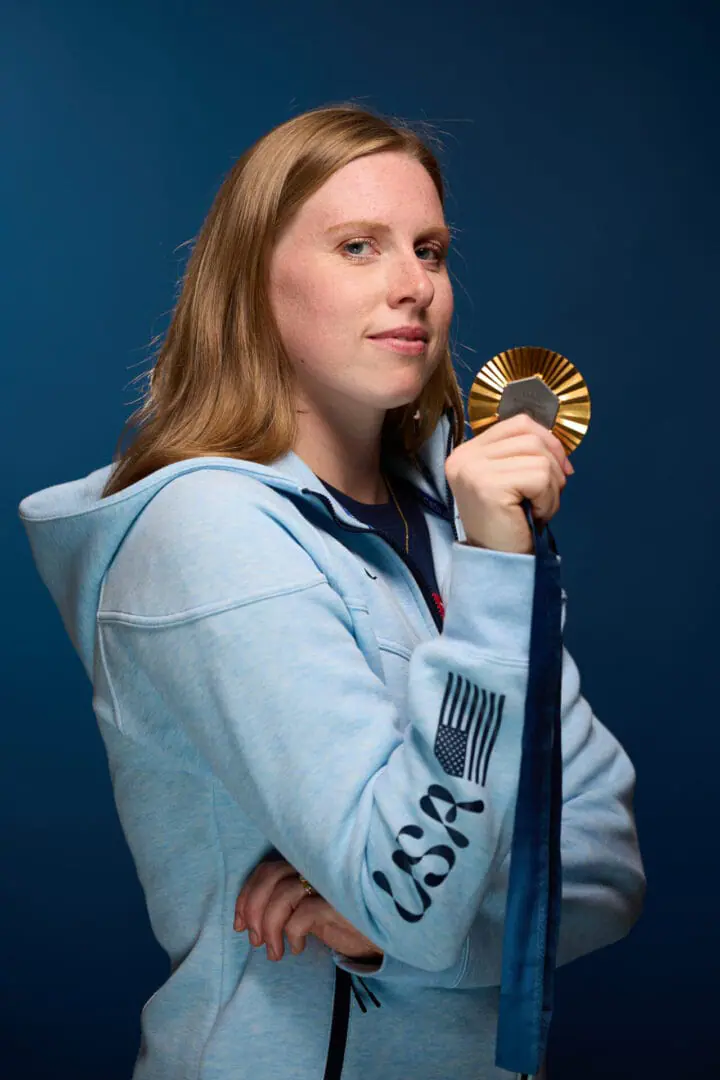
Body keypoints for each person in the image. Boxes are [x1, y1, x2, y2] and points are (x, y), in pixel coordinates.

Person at [19, 103, 645, 1080]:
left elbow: (606, 870)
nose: (413, 287)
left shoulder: (457, 528)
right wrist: (414, 920)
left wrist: (399, 935)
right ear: (252, 284)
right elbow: (417, 902)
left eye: (430, 250)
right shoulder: (209, 533)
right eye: (359, 247)